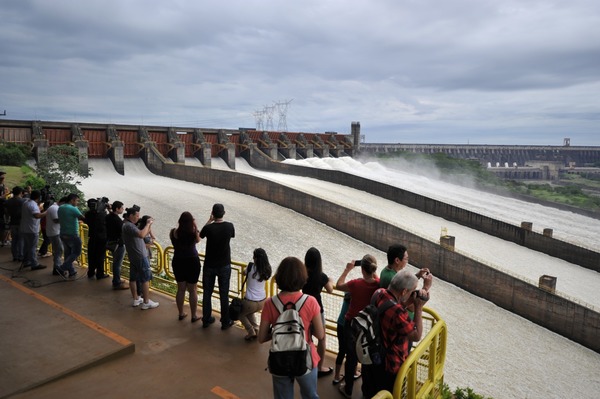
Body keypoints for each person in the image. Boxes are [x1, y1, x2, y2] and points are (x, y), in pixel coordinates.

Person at [258, 256, 324, 399]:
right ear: (302, 277)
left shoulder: (270, 303)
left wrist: (278, 331)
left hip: (279, 359)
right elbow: (320, 334)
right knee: (310, 395)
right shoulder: (310, 301)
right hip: (305, 359)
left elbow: (261, 338)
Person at [371, 270, 430, 394]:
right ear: (404, 291)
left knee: (373, 391)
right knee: (390, 393)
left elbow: (393, 307)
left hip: (373, 354)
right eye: (412, 290)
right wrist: (419, 307)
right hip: (390, 364)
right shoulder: (398, 312)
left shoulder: (379, 293)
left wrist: (412, 299)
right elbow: (416, 335)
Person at [335, 254, 379, 399]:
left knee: (351, 356)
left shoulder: (355, 284)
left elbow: (338, 285)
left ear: (362, 270)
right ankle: (365, 391)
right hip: (368, 325)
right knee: (366, 358)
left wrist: (347, 269)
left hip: (352, 323)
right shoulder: (378, 284)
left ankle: (348, 389)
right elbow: (374, 278)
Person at [200, 203, 235, 329]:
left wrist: (209, 220)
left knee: (207, 293)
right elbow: (232, 235)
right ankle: (225, 321)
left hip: (209, 265)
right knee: (224, 294)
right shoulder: (229, 226)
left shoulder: (209, 228)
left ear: (213, 213)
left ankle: (206, 319)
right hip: (224, 265)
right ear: (224, 213)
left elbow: (200, 235)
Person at [302, 247, 334, 377]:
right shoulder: (321, 277)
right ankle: (320, 367)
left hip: (303, 306)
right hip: (316, 310)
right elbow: (330, 290)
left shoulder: (302, 273)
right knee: (322, 338)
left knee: (306, 336)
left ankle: (306, 361)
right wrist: (330, 280)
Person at [122, 205, 159, 310]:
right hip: (140, 256)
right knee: (145, 279)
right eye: (137, 215)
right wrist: (148, 224)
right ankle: (146, 302)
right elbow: (142, 235)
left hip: (133, 256)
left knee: (133, 278)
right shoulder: (130, 226)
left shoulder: (127, 225)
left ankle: (136, 299)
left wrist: (148, 227)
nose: (138, 218)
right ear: (131, 216)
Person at [169, 211, 201, 322]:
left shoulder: (173, 232)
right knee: (193, 290)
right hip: (192, 261)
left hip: (178, 261)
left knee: (181, 289)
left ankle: (181, 313)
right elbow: (198, 240)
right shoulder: (193, 233)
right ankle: (194, 315)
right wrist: (195, 225)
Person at [239, 247, 272, 341]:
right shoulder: (267, 270)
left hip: (250, 301)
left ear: (256, 258)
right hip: (262, 302)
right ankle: (256, 329)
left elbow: (244, 273)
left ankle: (250, 331)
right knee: (249, 313)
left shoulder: (250, 267)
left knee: (240, 314)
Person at [57, 193, 85, 278]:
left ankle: (71, 271)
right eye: (76, 201)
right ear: (72, 200)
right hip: (72, 234)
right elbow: (83, 218)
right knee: (77, 252)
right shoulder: (73, 208)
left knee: (68, 253)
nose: (77, 203)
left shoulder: (60, 208)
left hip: (62, 234)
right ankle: (62, 268)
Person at [19, 190, 47, 271]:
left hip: (25, 228)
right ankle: (34, 264)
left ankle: (26, 261)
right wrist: (46, 212)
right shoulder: (33, 205)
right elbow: (37, 215)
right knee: (32, 247)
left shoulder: (26, 202)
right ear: (38, 197)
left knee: (27, 246)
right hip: (32, 229)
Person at [84, 198, 110, 280]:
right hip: (102, 238)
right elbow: (109, 221)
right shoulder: (103, 214)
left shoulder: (88, 214)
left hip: (92, 237)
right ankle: (100, 273)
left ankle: (91, 272)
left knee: (91, 255)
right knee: (100, 256)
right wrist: (108, 209)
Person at [105, 200, 128, 290]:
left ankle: (117, 279)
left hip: (111, 242)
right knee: (117, 264)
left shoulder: (108, 217)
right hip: (119, 244)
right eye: (121, 208)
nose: (123, 209)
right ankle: (116, 283)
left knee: (115, 262)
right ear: (117, 209)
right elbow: (123, 231)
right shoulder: (118, 220)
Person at [5, 186, 25, 262]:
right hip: (20, 222)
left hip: (12, 222)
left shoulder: (8, 201)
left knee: (14, 240)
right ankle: (21, 256)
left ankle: (15, 256)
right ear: (20, 192)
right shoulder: (23, 201)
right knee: (21, 240)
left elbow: (6, 212)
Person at [46, 197, 65, 275]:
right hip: (54, 232)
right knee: (59, 250)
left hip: (53, 232)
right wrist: (66, 218)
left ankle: (57, 267)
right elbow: (56, 220)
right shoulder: (55, 208)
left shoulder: (53, 207)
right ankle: (57, 268)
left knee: (57, 250)